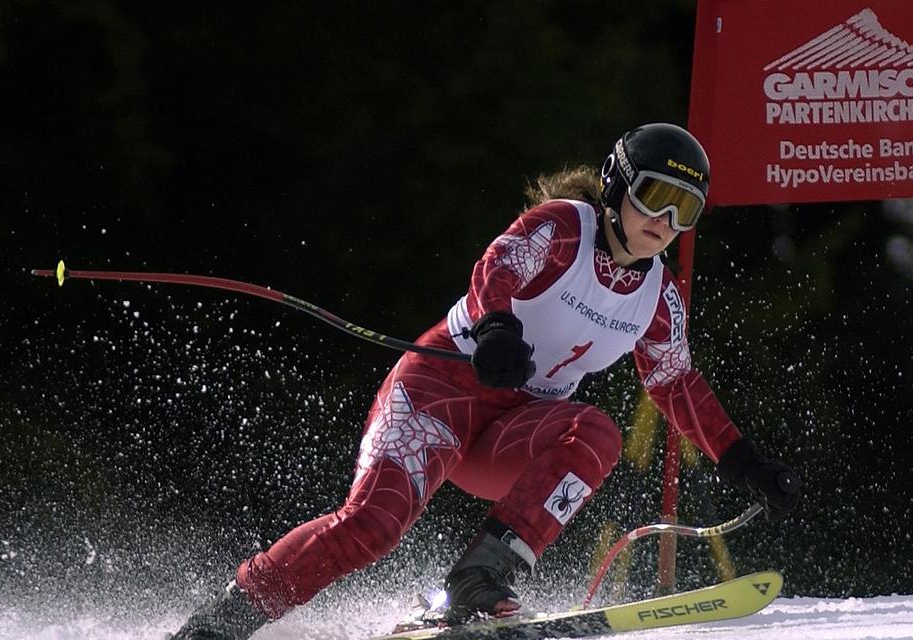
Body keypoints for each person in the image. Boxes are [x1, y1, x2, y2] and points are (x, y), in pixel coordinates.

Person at [170, 123, 802, 640]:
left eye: (685, 208)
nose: (664, 219)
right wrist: (496, 328)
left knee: (597, 432)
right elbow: (499, 265)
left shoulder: (659, 298)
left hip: (512, 432)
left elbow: (677, 386)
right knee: (374, 525)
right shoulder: (564, 229)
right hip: (442, 393)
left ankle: (481, 576)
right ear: (617, 188)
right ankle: (222, 623)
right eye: (654, 197)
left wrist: (743, 460)